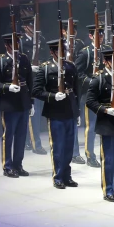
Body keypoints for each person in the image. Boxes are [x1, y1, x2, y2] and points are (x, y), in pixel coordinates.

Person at [86, 48, 114, 202]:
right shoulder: (98, 78)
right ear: (105, 62)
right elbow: (90, 101)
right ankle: (108, 190)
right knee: (109, 158)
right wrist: (104, 110)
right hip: (107, 122)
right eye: (113, 60)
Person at [33, 39, 79, 189]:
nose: (62, 54)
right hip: (55, 112)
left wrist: (77, 112)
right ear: (52, 52)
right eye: (59, 51)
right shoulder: (45, 68)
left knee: (69, 147)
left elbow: (76, 91)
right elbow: (37, 91)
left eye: (63, 51)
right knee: (58, 147)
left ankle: (67, 175)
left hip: (70, 110)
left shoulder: (70, 66)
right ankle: (58, 176)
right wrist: (53, 96)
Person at [0, 33, 34, 178]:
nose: (16, 46)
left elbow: (30, 81)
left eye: (17, 43)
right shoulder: (0, 61)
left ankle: (18, 165)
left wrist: (31, 102)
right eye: (12, 44)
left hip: (23, 102)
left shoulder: (24, 59)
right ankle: (7, 166)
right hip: (8, 104)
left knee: (21, 136)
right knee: (8, 136)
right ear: (6, 45)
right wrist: (7, 87)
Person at [74, 25, 103, 168]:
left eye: (102, 35)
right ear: (91, 36)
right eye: (98, 35)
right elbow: (78, 74)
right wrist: (91, 81)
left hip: (103, 94)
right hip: (89, 95)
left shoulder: (105, 51)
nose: (101, 38)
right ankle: (90, 155)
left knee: (104, 126)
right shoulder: (85, 53)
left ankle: (104, 153)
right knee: (91, 127)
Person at [20, 15, 48, 155]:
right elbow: (18, 62)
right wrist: (30, 68)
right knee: (33, 113)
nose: (34, 29)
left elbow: (47, 58)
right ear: (25, 27)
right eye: (31, 26)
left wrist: (41, 66)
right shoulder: (20, 42)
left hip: (40, 80)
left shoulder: (41, 40)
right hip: (27, 82)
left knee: (38, 113)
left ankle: (28, 141)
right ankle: (35, 144)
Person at [61, 19, 86, 164]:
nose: (73, 32)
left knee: (75, 119)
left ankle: (75, 152)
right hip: (63, 85)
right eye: (70, 29)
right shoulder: (59, 45)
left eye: (74, 29)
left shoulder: (80, 44)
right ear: (63, 31)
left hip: (76, 86)